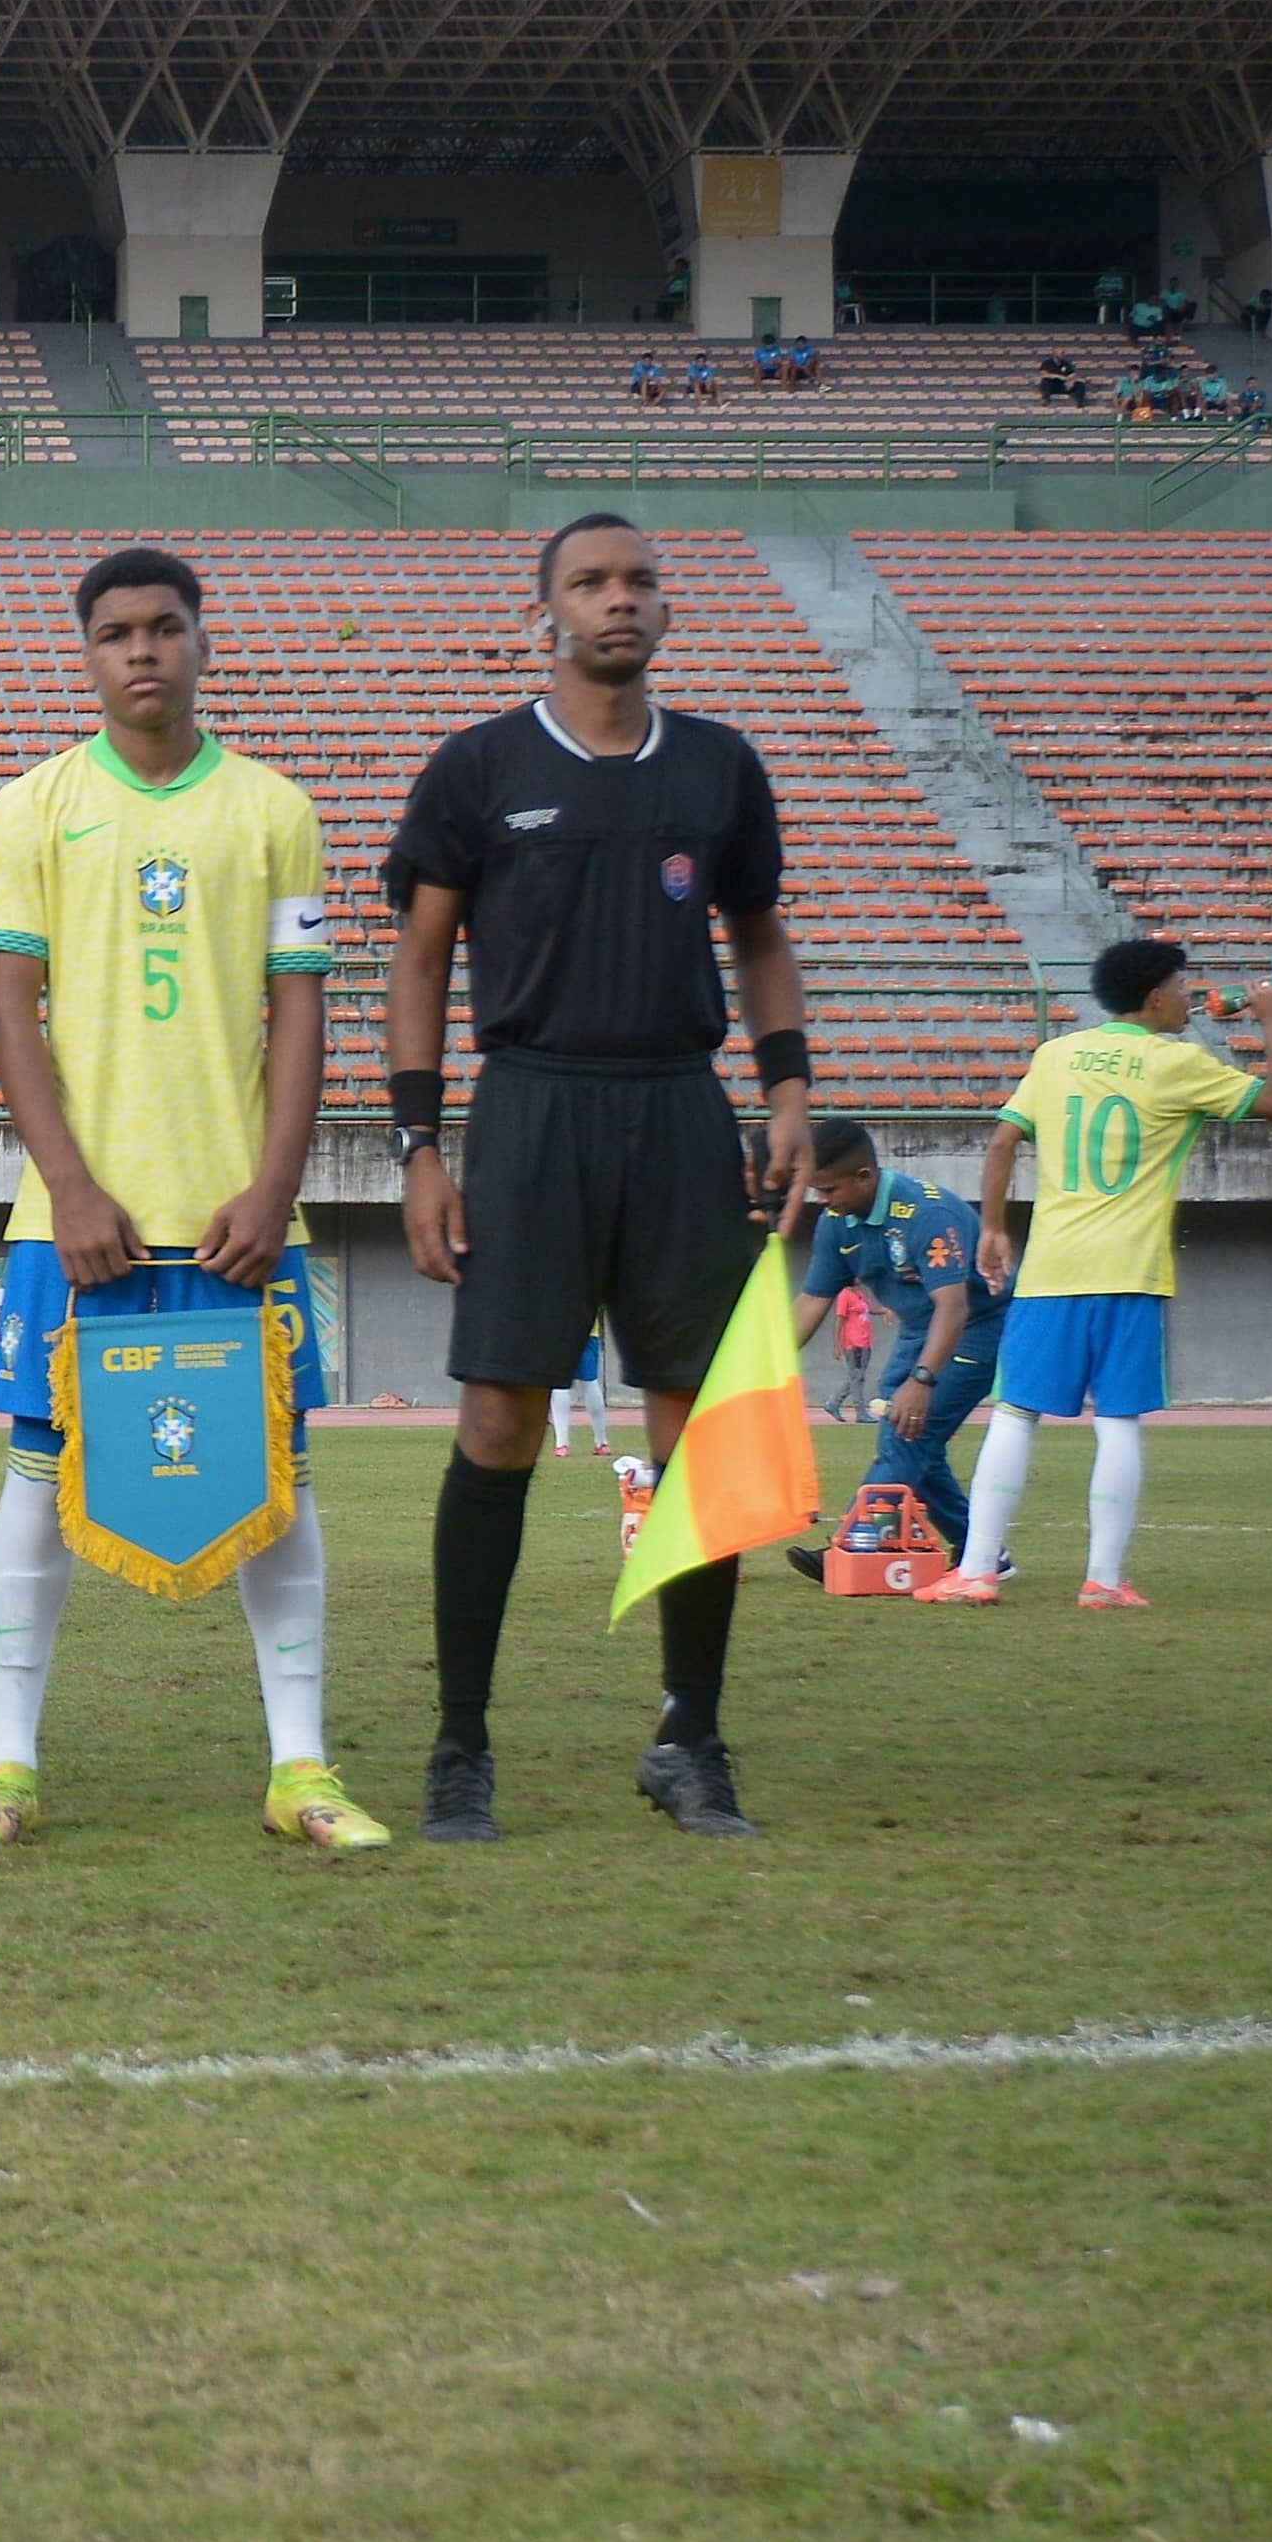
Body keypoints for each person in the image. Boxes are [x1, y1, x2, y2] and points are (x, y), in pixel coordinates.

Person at [0, 546, 379, 1855]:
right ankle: (6, 1766)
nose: (143, 649)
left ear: (200, 643)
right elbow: (5, 1010)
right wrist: (68, 1183)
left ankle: (300, 1764)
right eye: (118, 632)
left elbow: (300, 1007)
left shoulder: (275, 810)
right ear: (88, 653)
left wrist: (278, 1181)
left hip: (242, 1219)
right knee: (36, 1478)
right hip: (77, 1228)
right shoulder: (33, 807)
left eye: (165, 628)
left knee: (276, 1485)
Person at [386, 513, 814, 1844]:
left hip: (682, 1110)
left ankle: (692, 1733)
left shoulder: (721, 767)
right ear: (547, 611)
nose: (617, 600)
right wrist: (418, 1145)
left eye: (638, 579)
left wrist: (788, 1088)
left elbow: (759, 936)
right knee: (501, 1421)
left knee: (698, 1430)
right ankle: (461, 1744)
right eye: (590, 582)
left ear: (664, 606)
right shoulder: (478, 767)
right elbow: (416, 963)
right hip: (531, 1108)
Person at [921, 946, 1272, 1608]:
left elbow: (1005, 1138)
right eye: (1182, 987)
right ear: (1155, 998)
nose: (1190, 997)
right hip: (1130, 1272)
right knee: (1119, 1421)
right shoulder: (1177, 1063)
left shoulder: (1056, 1055)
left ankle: (977, 1571)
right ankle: (1103, 1580)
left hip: (1052, 1270)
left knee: (1013, 1414)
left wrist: (992, 1227)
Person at [785, 1119, 1010, 1581]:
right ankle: (981, 1549)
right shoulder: (837, 1223)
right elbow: (812, 1300)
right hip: (919, 1327)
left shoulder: (927, 1216)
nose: (821, 1202)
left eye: (828, 1190)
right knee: (910, 1434)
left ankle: (857, 1542)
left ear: (864, 1177)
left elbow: (954, 1306)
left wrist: (922, 1379)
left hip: (976, 1325)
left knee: (908, 1433)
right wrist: (767, 1363)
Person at [549, 1324, 609, 1454]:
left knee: (560, 1383)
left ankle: (562, 1445)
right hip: (588, 1328)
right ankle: (602, 1443)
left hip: (559, 1329)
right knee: (590, 1382)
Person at [830, 1278, 875, 1418]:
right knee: (857, 1377)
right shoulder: (845, 1295)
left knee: (857, 1377)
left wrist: (886, 1310)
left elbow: (870, 1310)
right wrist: (836, 1345)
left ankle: (834, 1403)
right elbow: (839, 1320)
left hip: (865, 1341)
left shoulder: (860, 1294)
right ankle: (860, 1411)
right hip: (852, 1343)